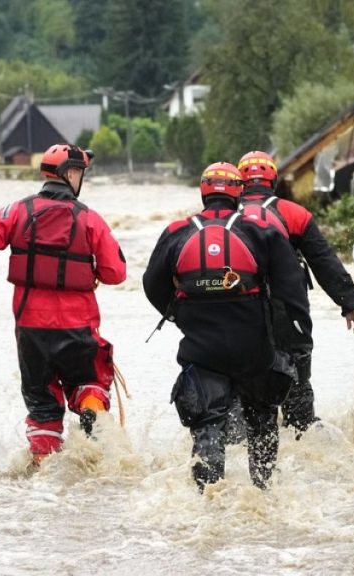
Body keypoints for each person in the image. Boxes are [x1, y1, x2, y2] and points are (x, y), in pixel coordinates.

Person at [0, 144, 126, 469]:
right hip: (78, 327)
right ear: (71, 174)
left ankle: (43, 470)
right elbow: (116, 273)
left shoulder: (15, 212)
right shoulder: (90, 219)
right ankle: (89, 407)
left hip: (31, 332)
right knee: (89, 383)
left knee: (43, 406)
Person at [142, 162, 312, 491]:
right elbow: (291, 288)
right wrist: (295, 336)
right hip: (255, 348)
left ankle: (210, 499)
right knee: (262, 420)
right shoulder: (260, 231)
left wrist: (179, 315)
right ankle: (264, 493)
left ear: (204, 192)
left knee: (208, 426)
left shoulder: (178, 231)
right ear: (239, 192)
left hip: (201, 348)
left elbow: (152, 284)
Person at [236, 150, 354, 434]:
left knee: (238, 388)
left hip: (239, 314)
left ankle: (237, 446)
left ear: (240, 182)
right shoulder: (295, 214)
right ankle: (301, 434)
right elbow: (323, 260)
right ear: (273, 179)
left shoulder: (226, 216)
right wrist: (350, 302)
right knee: (297, 388)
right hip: (287, 312)